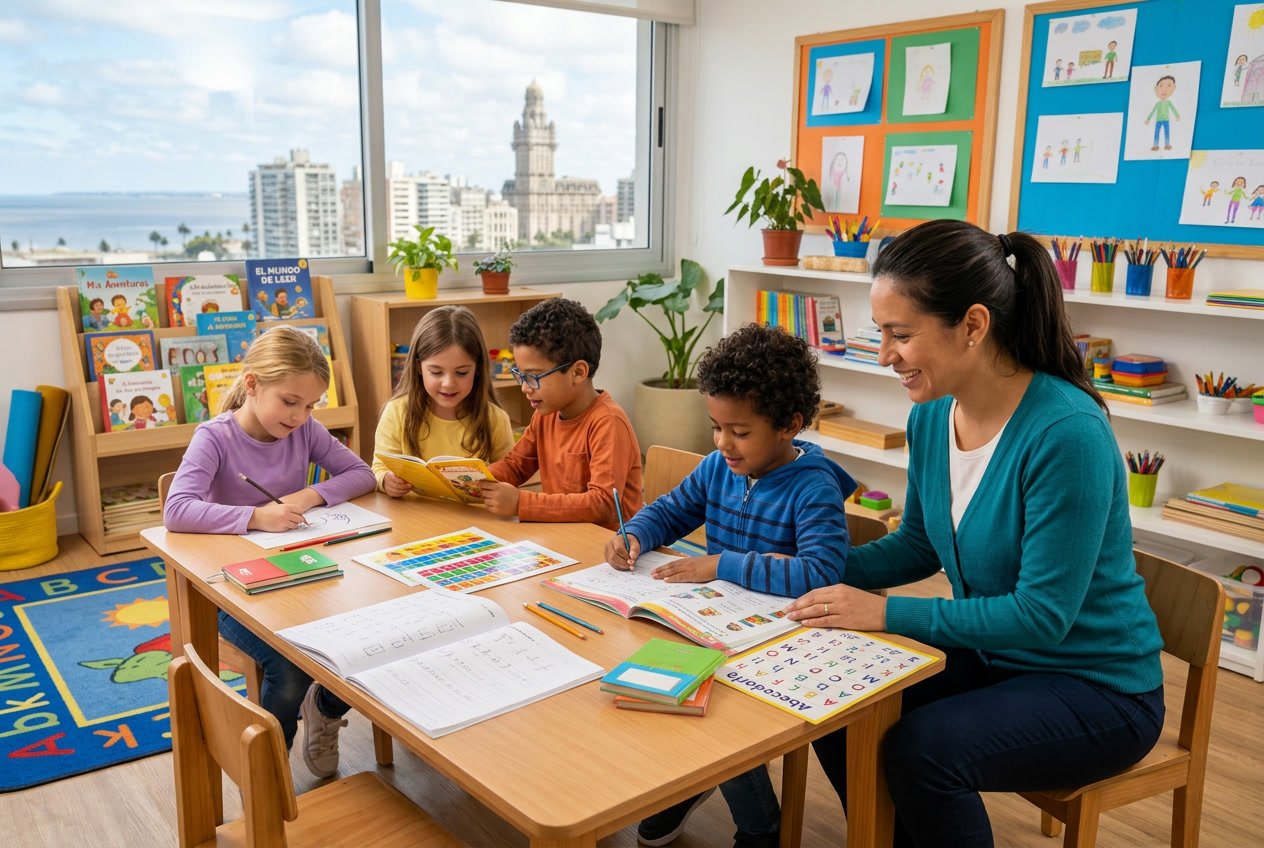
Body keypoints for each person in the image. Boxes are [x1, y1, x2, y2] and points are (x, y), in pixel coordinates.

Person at [786, 220, 1165, 848]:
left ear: (973, 325)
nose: (884, 356)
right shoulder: (933, 417)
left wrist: (885, 612)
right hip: (1000, 658)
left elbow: (1042, 617)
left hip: (1098, 687)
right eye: (881, 334)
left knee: (925, 750)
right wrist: (806, 572)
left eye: (900, 335)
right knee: (840, 705)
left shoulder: (1067, 434)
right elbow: (918, 543)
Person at [605, 323, 856, 848]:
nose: (722, 444)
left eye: (739, 431)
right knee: (650, 674)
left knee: (716, 707)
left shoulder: (813, 486)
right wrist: (635, 535)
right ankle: (689, 780)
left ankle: (758, 825)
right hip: (718, 624)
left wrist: (722, 565)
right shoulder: (720, 468)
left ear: (789, 424)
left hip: (789, 642)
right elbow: (671, 511)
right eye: (716, 426)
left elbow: (821, 572)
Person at [163, 325, 376, 778]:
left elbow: (361, 474)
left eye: (310, 405)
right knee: (290, 663)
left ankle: (327, 708)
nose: (300, 416)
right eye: (290, 401)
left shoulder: (305, 431)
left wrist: (307, 497)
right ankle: (268, 770)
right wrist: (255, 517)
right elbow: (177, 510)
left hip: (299, 577)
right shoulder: (214, 437)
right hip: (228, 590)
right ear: (252, 385)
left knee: (364, 630)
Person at [481, 297, 642, 529]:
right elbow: (515, 467)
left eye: (533, 377)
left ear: (577, 372)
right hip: (563, 535)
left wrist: (521, 503)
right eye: (521, 375)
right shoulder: (545, 414)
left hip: (612, 547)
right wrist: (469, 479)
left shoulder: (608, 422)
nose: (525, 388)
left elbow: (603, 504)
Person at [373, 305, 515, 496]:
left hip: (473, 520)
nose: (448, 383)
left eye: (462, 372)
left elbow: (510, 475)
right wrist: (386, 481)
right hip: (413, 517)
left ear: (479, 368)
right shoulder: (397, 412)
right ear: (418, 367)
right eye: (436, 372)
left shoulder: (495, 419)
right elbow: (378, 468)